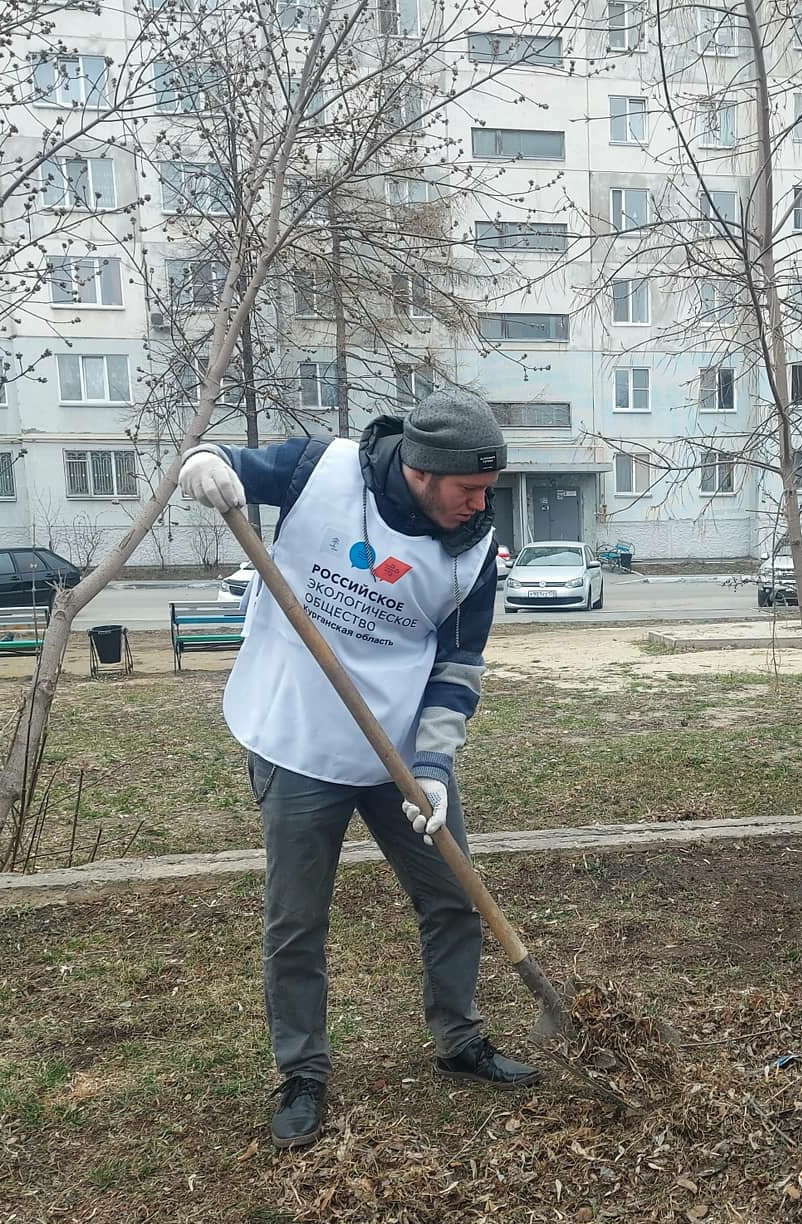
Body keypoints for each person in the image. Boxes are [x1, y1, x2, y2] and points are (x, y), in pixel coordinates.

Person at [179, 388, 540, 1150]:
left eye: (489, 489)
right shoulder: (321, 471)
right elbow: (236, 469)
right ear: (419, 469)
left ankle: (459, 1037)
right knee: (297, 922)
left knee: (452, 898)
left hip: (400, 755)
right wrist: (206, 461)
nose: (481, 504)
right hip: (298, 740)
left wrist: (435, 764)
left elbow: (459, 665)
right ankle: (302, 1072)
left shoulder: (473, 551)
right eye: (469, 489)